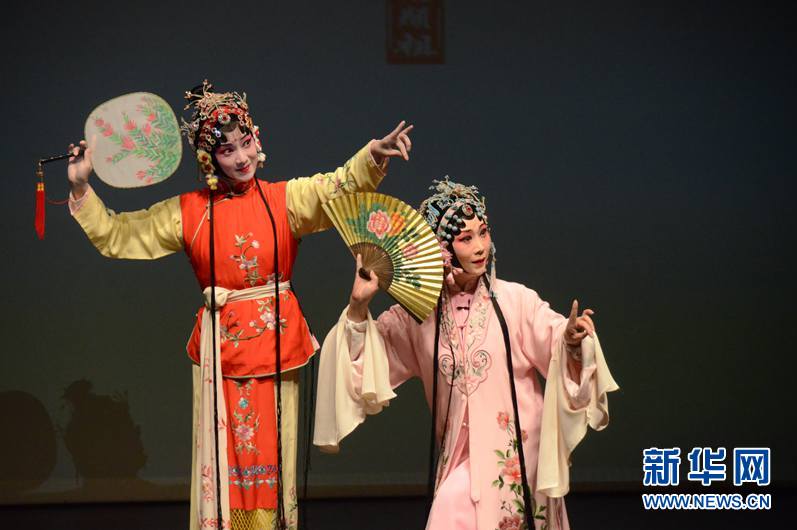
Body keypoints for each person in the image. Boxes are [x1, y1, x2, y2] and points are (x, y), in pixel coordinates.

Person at [66, 80, 414, 530]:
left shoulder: (284, 200)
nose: (241, 157)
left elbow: (335, 187)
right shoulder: (188, 212)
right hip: (220, 351)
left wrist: (372, 157)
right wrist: (81, 187)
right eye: (227, 150)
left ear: (257, 139)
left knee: (273, 457)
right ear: (209, 160)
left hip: (276, 346)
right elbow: (118, 235)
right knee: (223, 460)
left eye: (245, 142)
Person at [314, 178, 618, 530]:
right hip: (460, 459)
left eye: (483, 233)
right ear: (443, 247)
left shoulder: (514, 301)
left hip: (518, 457)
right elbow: (365, 363)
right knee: (448, 508)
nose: (480, 247)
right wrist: (358, 305)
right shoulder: (418, 315)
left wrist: (571, 339)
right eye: (465, 238)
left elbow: (554, 338)